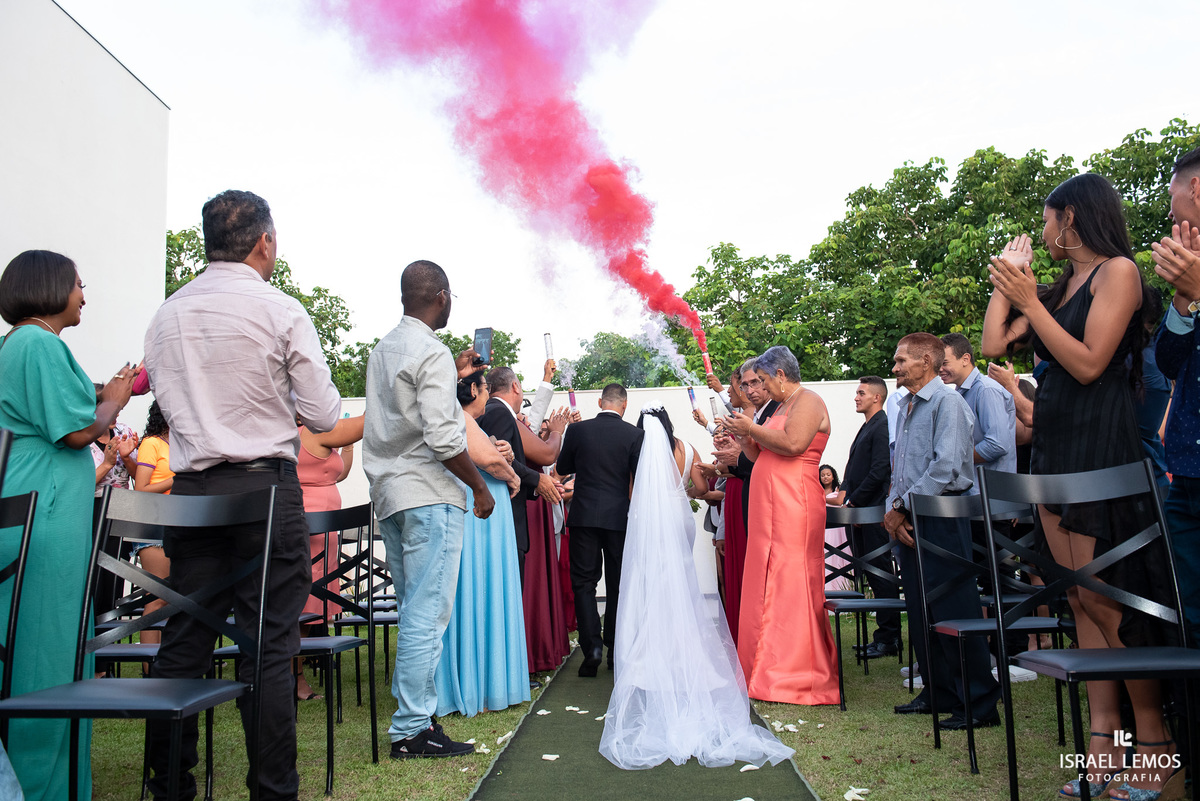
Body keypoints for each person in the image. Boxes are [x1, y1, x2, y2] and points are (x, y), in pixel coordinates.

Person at [143, 190, 342, 799]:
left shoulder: (165, 315)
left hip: (194, 490)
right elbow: (325, 413)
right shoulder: (280, 309)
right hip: (263, 489)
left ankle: (170, 785)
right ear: (264, 241)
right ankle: (273, 791)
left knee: (182, 643)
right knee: (268, 647)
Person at [982, 172, 1174, 801]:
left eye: (1046, 220)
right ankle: (1103, 748)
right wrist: (1005, 288)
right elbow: (992, 344)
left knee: (1114, 600)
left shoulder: (1119, 271)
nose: (1039, 233)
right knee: (1081, 601)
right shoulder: (1060, 286)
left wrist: (1030, 300)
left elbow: (1091, 362)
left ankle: (1153, 751)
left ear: (1071, 218)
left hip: (1101, 451)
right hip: (1057, 453)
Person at [0, 249, 139, 800]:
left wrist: (110, 393)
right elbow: (78, 432)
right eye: (79, 284)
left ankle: (57, 783)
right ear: (51, 288)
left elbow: (86, 410)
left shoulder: (29, 345)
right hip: (45, 514)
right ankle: (38, 788)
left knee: (53, 647)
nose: (85, 296)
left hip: (45, 508)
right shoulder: (36, 341)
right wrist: (114, 399)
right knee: (44, 653)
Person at [599, 403, 793, 770]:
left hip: (647, 521)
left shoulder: (636, 449)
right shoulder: (687, 448)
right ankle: (681, 642)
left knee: (649, 583)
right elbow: (701, 490)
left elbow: (631, 493)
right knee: (681, 580)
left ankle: (649, 648)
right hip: (678, 517)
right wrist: (684, 487)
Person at [363, 259, 495, 760]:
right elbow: (443, 435)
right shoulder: (432, 351)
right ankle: (411, 729)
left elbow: (396, 418)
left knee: (412, 609)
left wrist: (455, 373)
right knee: (426, 614)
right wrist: (479, 489)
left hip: (391, 494)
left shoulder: (382, 350)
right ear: (440, 296)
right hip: (429, 494)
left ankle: (417, 718)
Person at [886, 333, 1001, 730]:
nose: (896, 367)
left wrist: (901, 508)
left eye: (902, 361)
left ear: (926, 361)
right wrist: (896, 510)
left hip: (942, 516)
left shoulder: (948, 403)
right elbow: (900, 467)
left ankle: (980, 704)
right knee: (921, 610)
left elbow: (947, 467)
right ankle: (939, 692)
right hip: (911, 517)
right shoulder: (907, 406)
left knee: (955, 610)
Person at [719, 345, 839, 705]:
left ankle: (794, 670)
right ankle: (762, 664)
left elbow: (792, 444)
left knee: (790, 579)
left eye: (765, 381)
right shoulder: (781, 406)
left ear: (781, 375)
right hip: (767, 504)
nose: (761, 389)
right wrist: (744, 436)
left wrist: (752, 427)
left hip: (795, 502)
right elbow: (759, 454)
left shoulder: (809, 400)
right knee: (767, 579)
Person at [434, 368, 528, 717]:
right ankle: (480, 683)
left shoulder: (472, 423)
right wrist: (511, 472)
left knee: (481, 590)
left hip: (483, 516)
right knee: (478, 590)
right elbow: (487, 461)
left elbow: (490, 453)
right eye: (486, 389)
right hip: (479, 516)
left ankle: (481, 679)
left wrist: (505, 453)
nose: (488, 396)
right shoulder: (457, 416)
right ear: (473, 389)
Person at [554, 383, 643, 677]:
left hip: (584, 515)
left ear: (600, 401)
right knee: (619, 584)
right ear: (624, 405)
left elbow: (564, 465)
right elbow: (638, 477)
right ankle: (615, 650)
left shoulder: (578, 431)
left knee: (583, 583)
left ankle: (591, 648)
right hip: (619, 518)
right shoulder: (634, 434)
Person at [1152, 145, 1200, 651]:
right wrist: (1184, 300)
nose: (1169, 212)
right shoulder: (1189, 269)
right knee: (1187, 613)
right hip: (1185, 470)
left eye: (1171, 196)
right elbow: (1167, 362)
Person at [295, 413, 364, 701]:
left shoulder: (319, 434)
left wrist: (346, 447)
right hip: (311, 526)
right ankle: (294, 678)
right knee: (303, 609)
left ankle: (296, 672)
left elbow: (340, 473)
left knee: (311, 607)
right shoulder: (311, 431)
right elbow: (365, 422)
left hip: (324, 530)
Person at [478, 366, 563, 583]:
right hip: (503, 524)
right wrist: (537, 480)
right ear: (515, 386)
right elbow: (498, 461)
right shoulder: (498, 412)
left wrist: (539, 486)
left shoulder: (495, 411)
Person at [839, 375, 900, 658]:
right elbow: (855, 467)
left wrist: (854, 499)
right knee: (870, 573)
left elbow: (879, 471)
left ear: (877, 397)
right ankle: (882, 636)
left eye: (861, 392)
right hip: (860, 511)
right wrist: (843, 490)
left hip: (873, 511)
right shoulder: (867, 426)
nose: (856, 397)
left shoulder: (882, 426)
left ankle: (889, 638)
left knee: (881, 573)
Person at [132, 400, 173, 667]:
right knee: (157, 598)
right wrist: (178, 479)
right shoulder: (151, 444)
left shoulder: (182, 446)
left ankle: (166, 660)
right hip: (155, 527)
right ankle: (150, 666)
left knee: (174, 600)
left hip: (181, 527)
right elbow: (141, 489)